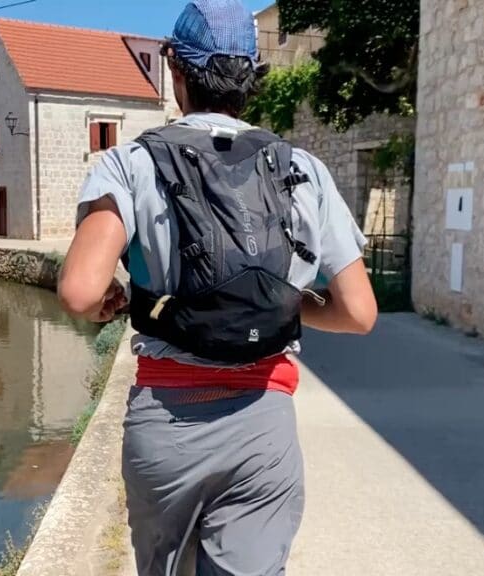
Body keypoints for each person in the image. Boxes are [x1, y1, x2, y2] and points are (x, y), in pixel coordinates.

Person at [58, 1, 377, 573]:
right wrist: (276, 301)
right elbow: (358, 312)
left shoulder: (130, 163)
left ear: (173, 69)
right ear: (253, 76)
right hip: (263, 425)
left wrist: (120, 298)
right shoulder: (303, 168)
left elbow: (81, 293)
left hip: (167, 424)